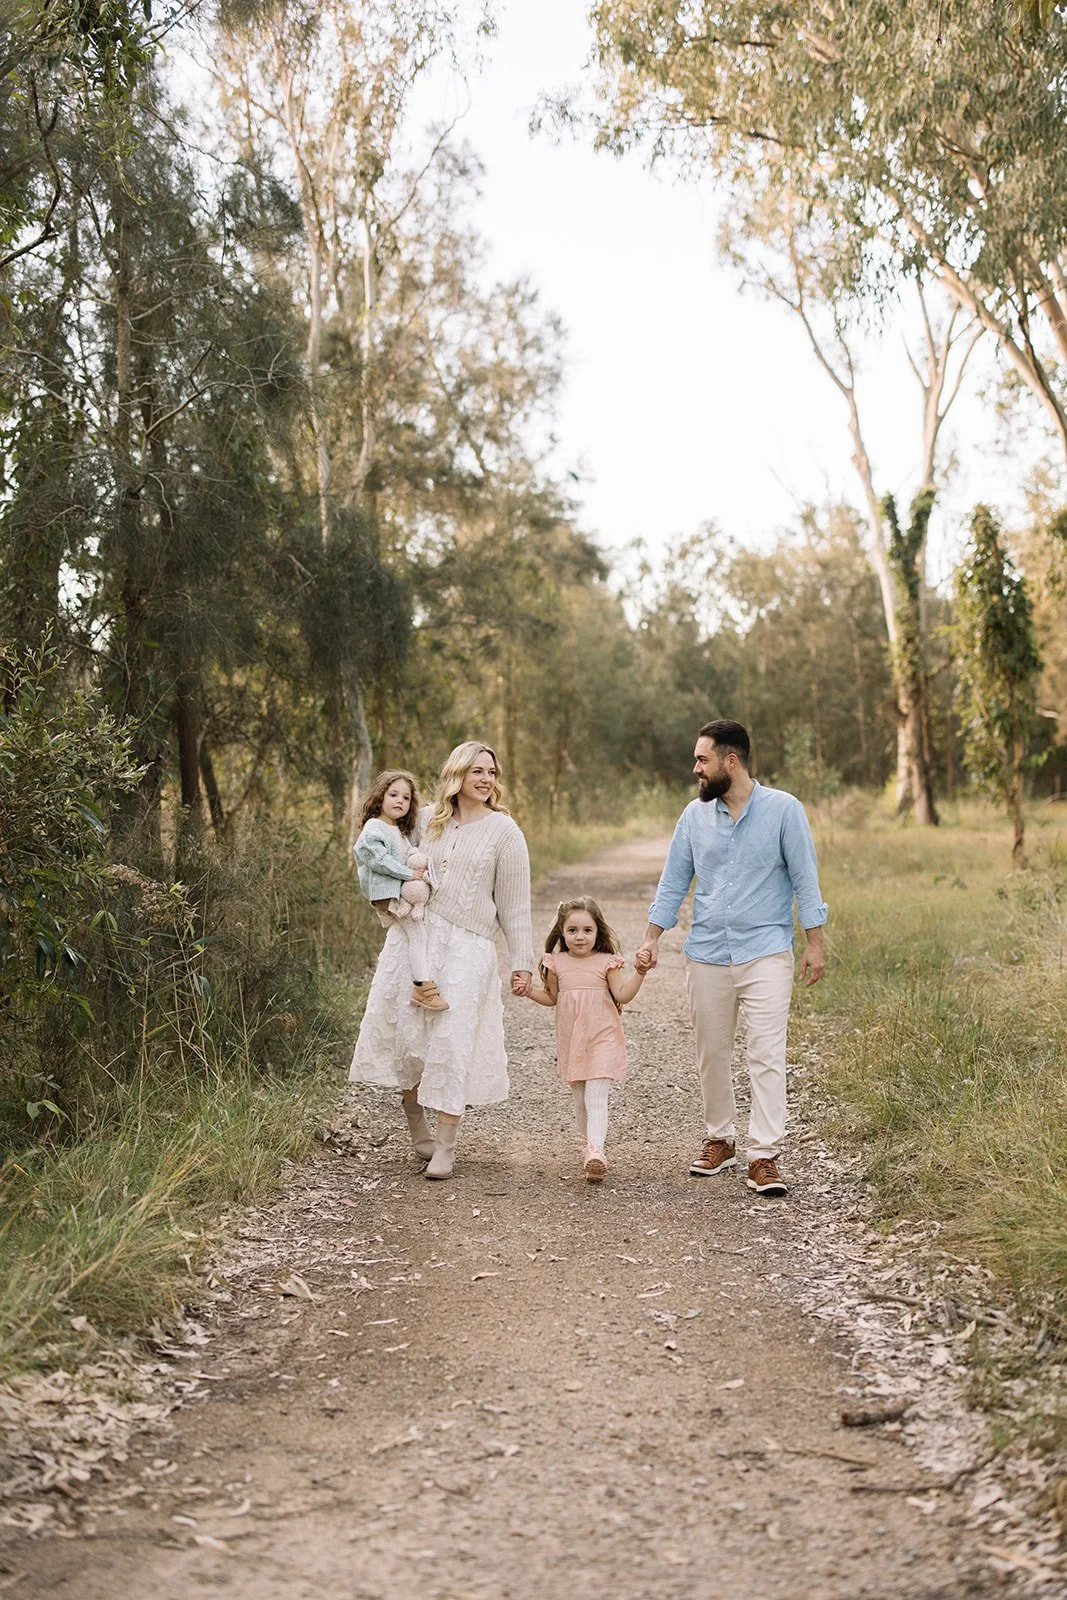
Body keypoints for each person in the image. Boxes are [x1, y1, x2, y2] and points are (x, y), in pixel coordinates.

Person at [636, 719, 827, 1198]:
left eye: (702, 759)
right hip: (707, 953)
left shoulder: (784, 811)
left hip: (765, 950)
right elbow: (673, 882)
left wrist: (816, 943)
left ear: (731, 761)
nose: (695, 768)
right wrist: (652, 938)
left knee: (765, 1052)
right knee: (713, 1051)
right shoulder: (694, 817)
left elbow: (806, 879)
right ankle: (720, 1137)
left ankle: (764, 1154)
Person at [349, 741, 534, 1181]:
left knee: (452, 1042)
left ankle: (447, 1143)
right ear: (457, 774)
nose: (486, 779)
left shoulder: (505, 832)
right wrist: (382, 903)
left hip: (469, 948)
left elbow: (515, 905)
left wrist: (522, 961)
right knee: (410, 1040)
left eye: (492, 771)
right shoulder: (426, 819)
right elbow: (383, 854)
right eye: (477, 771)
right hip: (415, 942)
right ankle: (417, 1125)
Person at [524, 897, 646, 1183]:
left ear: (597, 932)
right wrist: (528, 990)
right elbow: (552, 998)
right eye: (573, 930)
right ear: (562, 933)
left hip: (603, 1036)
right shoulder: (557, 963)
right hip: (572, 1039)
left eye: (587, 930)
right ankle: (588, 1152)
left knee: (595, 1095)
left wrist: (640, 973)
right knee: (580, 1098)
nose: (580, 937)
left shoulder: (608, 962)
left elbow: (623, 996)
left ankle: (596, 1150)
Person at [353, 770, 448, 1013]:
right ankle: (422, 987)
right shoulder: (375, 827)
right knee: (418, 933)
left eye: (406, 798)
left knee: (419, 931)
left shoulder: (398, 831)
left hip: (398, 891)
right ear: (379, 798)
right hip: (386, 892)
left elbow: (409, 855)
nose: (400, 801)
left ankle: (421, 982)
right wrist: (409, 875)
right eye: (393, 794)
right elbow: (378, 860)